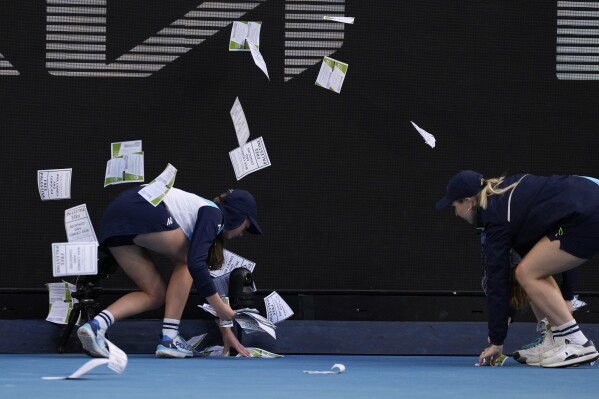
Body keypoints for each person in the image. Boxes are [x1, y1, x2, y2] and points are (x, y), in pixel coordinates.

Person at [437, 170, 599, 367]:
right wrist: (567, 295)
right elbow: (559, 252)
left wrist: (497, 341)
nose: (455, 213)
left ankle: (577, 343)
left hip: (590, 211)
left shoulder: (495, 218)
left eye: (455, 206)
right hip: (588, 202)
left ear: (469, 202)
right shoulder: (508, 201)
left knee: (526, 272)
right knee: (533, 268)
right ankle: (556, 340)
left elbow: (498, 281)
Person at [77, 185, 262, 358]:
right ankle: (169, 338)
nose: (242, 233)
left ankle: (96, 326)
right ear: (237, 215)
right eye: (246, 226)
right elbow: (196, 265)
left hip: (114, 216)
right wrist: (220, 308)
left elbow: (203, 278)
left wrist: (226, 332)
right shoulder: (214, 212)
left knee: (155, 294)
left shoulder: (202, 213)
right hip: (141, 205)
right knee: (188, 260)